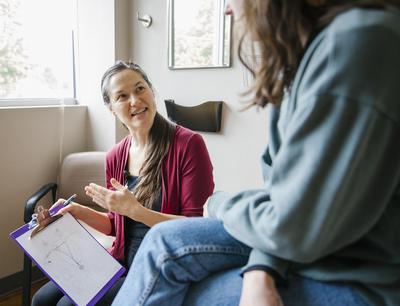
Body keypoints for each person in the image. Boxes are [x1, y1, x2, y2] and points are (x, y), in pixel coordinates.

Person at [111, 1, 400, 306]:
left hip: (362, 274)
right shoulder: (301, 64)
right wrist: (261, 268)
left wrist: (218, 203)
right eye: (121, 96)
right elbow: (283, 201)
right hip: (309, 245)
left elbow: (290, 222)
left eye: (140, 89)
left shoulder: (356, 44)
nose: (226, 11)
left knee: (188, 290)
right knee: (162, 244)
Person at [31, 61, 215, 306]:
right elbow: (117, 226)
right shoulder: (116, 155)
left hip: (162, 264)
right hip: (121, 260)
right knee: (41, 299)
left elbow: (195, 228)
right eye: (122, 96)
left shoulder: (188, 144)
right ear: (110, 108)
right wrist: (79, 212)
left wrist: (138, 212)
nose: (135, 101)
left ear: (151, 91)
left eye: (140, 89)